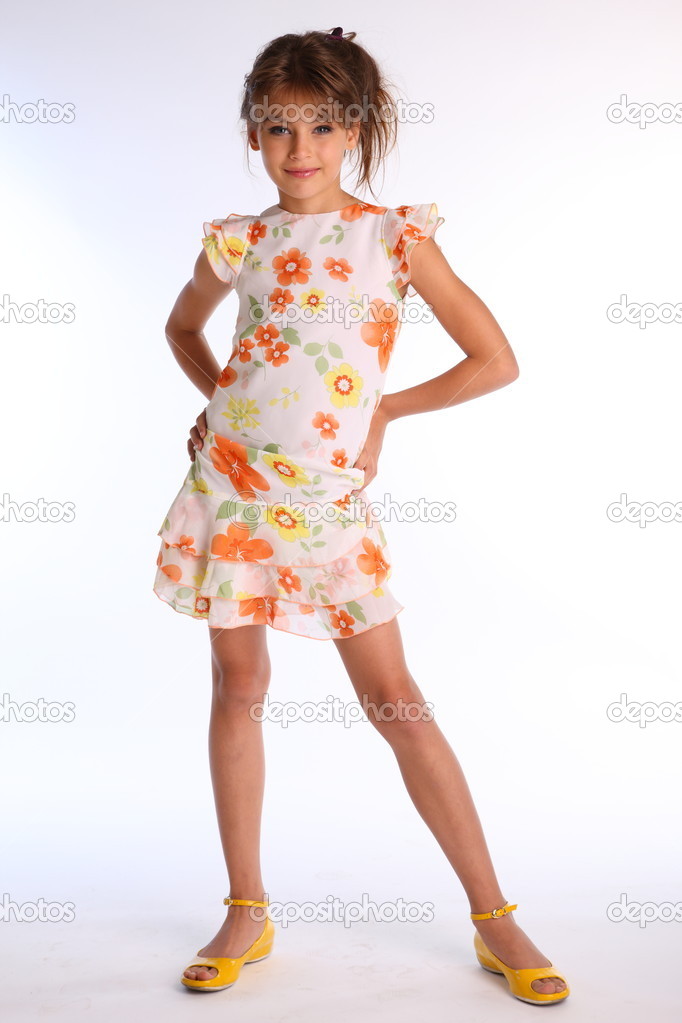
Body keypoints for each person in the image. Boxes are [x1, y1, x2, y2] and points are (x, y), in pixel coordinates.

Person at [152, 26, 570, 1006]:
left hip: (326, 507)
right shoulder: (240, 239)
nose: (300, 149)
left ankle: (492, 913)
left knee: (396, 702)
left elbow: (493, 360)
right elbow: (180, 325)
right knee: (237, 684)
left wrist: (384, 408)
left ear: (359, 129)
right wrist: (217, 401)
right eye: (278, 128)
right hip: (230, 492)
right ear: (253, 133)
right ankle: (247, 907)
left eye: (323, 126)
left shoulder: (395, 238)